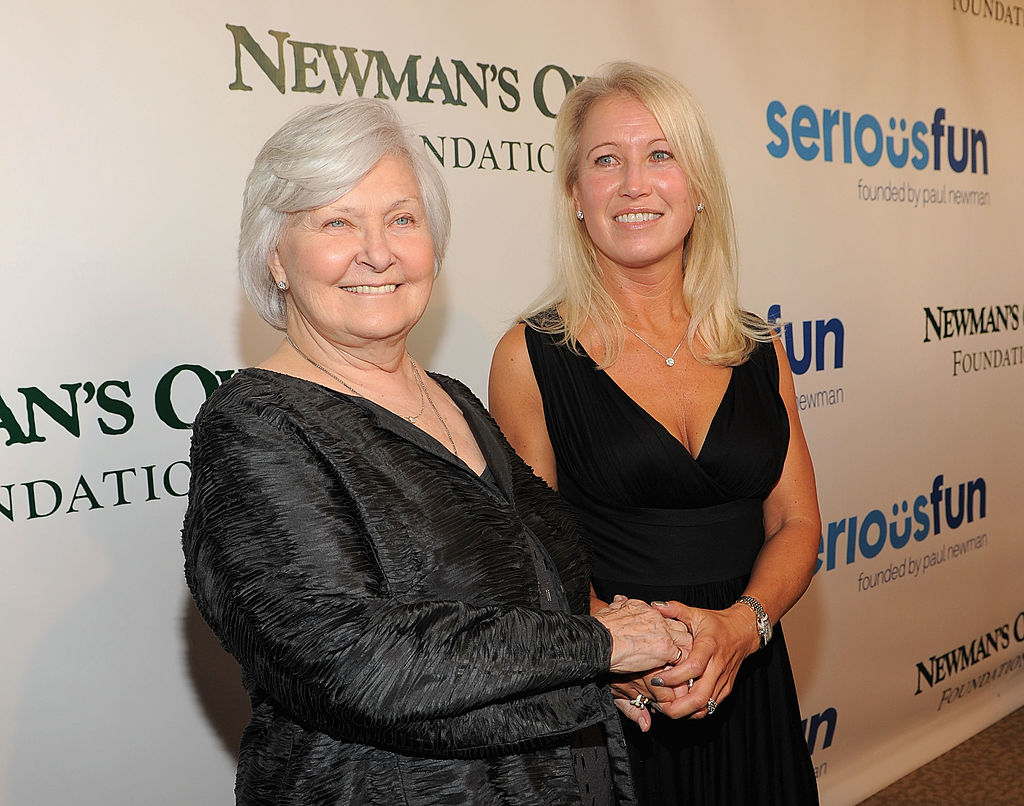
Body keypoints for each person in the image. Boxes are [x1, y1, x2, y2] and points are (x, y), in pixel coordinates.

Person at [181, 99, 692, 806]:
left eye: (402, 218)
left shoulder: (454, 398)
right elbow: (352, 660)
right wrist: (599, 649)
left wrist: (597, 671)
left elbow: (535, 596)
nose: (379, 251)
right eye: (336, 222)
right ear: (275, 255)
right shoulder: (254, 426)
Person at [489, 62, 821, 805]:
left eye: (661, 155)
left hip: (751, 675)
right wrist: (620, 652)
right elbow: (532, 558)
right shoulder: (529, 357)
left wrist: (742, 628)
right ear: (575, 196)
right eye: (607, 160)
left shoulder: (757, 346)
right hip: (617, 703)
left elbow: (798, 521)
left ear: (699, 187)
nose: (635, 183)